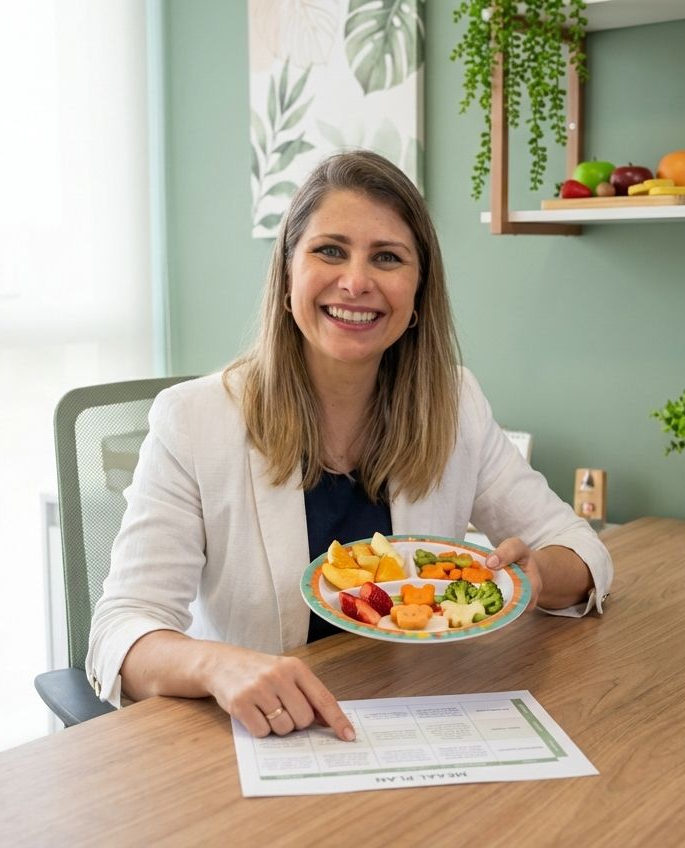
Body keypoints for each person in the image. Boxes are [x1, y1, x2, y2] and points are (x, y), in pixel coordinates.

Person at [87, 149, 613, 742]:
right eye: (329, 250)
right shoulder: (194, 421)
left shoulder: (455, 403)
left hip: (419, 722)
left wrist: (533, 577)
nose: (356, 282)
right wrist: (216, 664)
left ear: (418, 297)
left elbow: (579, 549)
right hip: (271, 740)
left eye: (387, 258)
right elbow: (120, 631)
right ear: (288, 277)